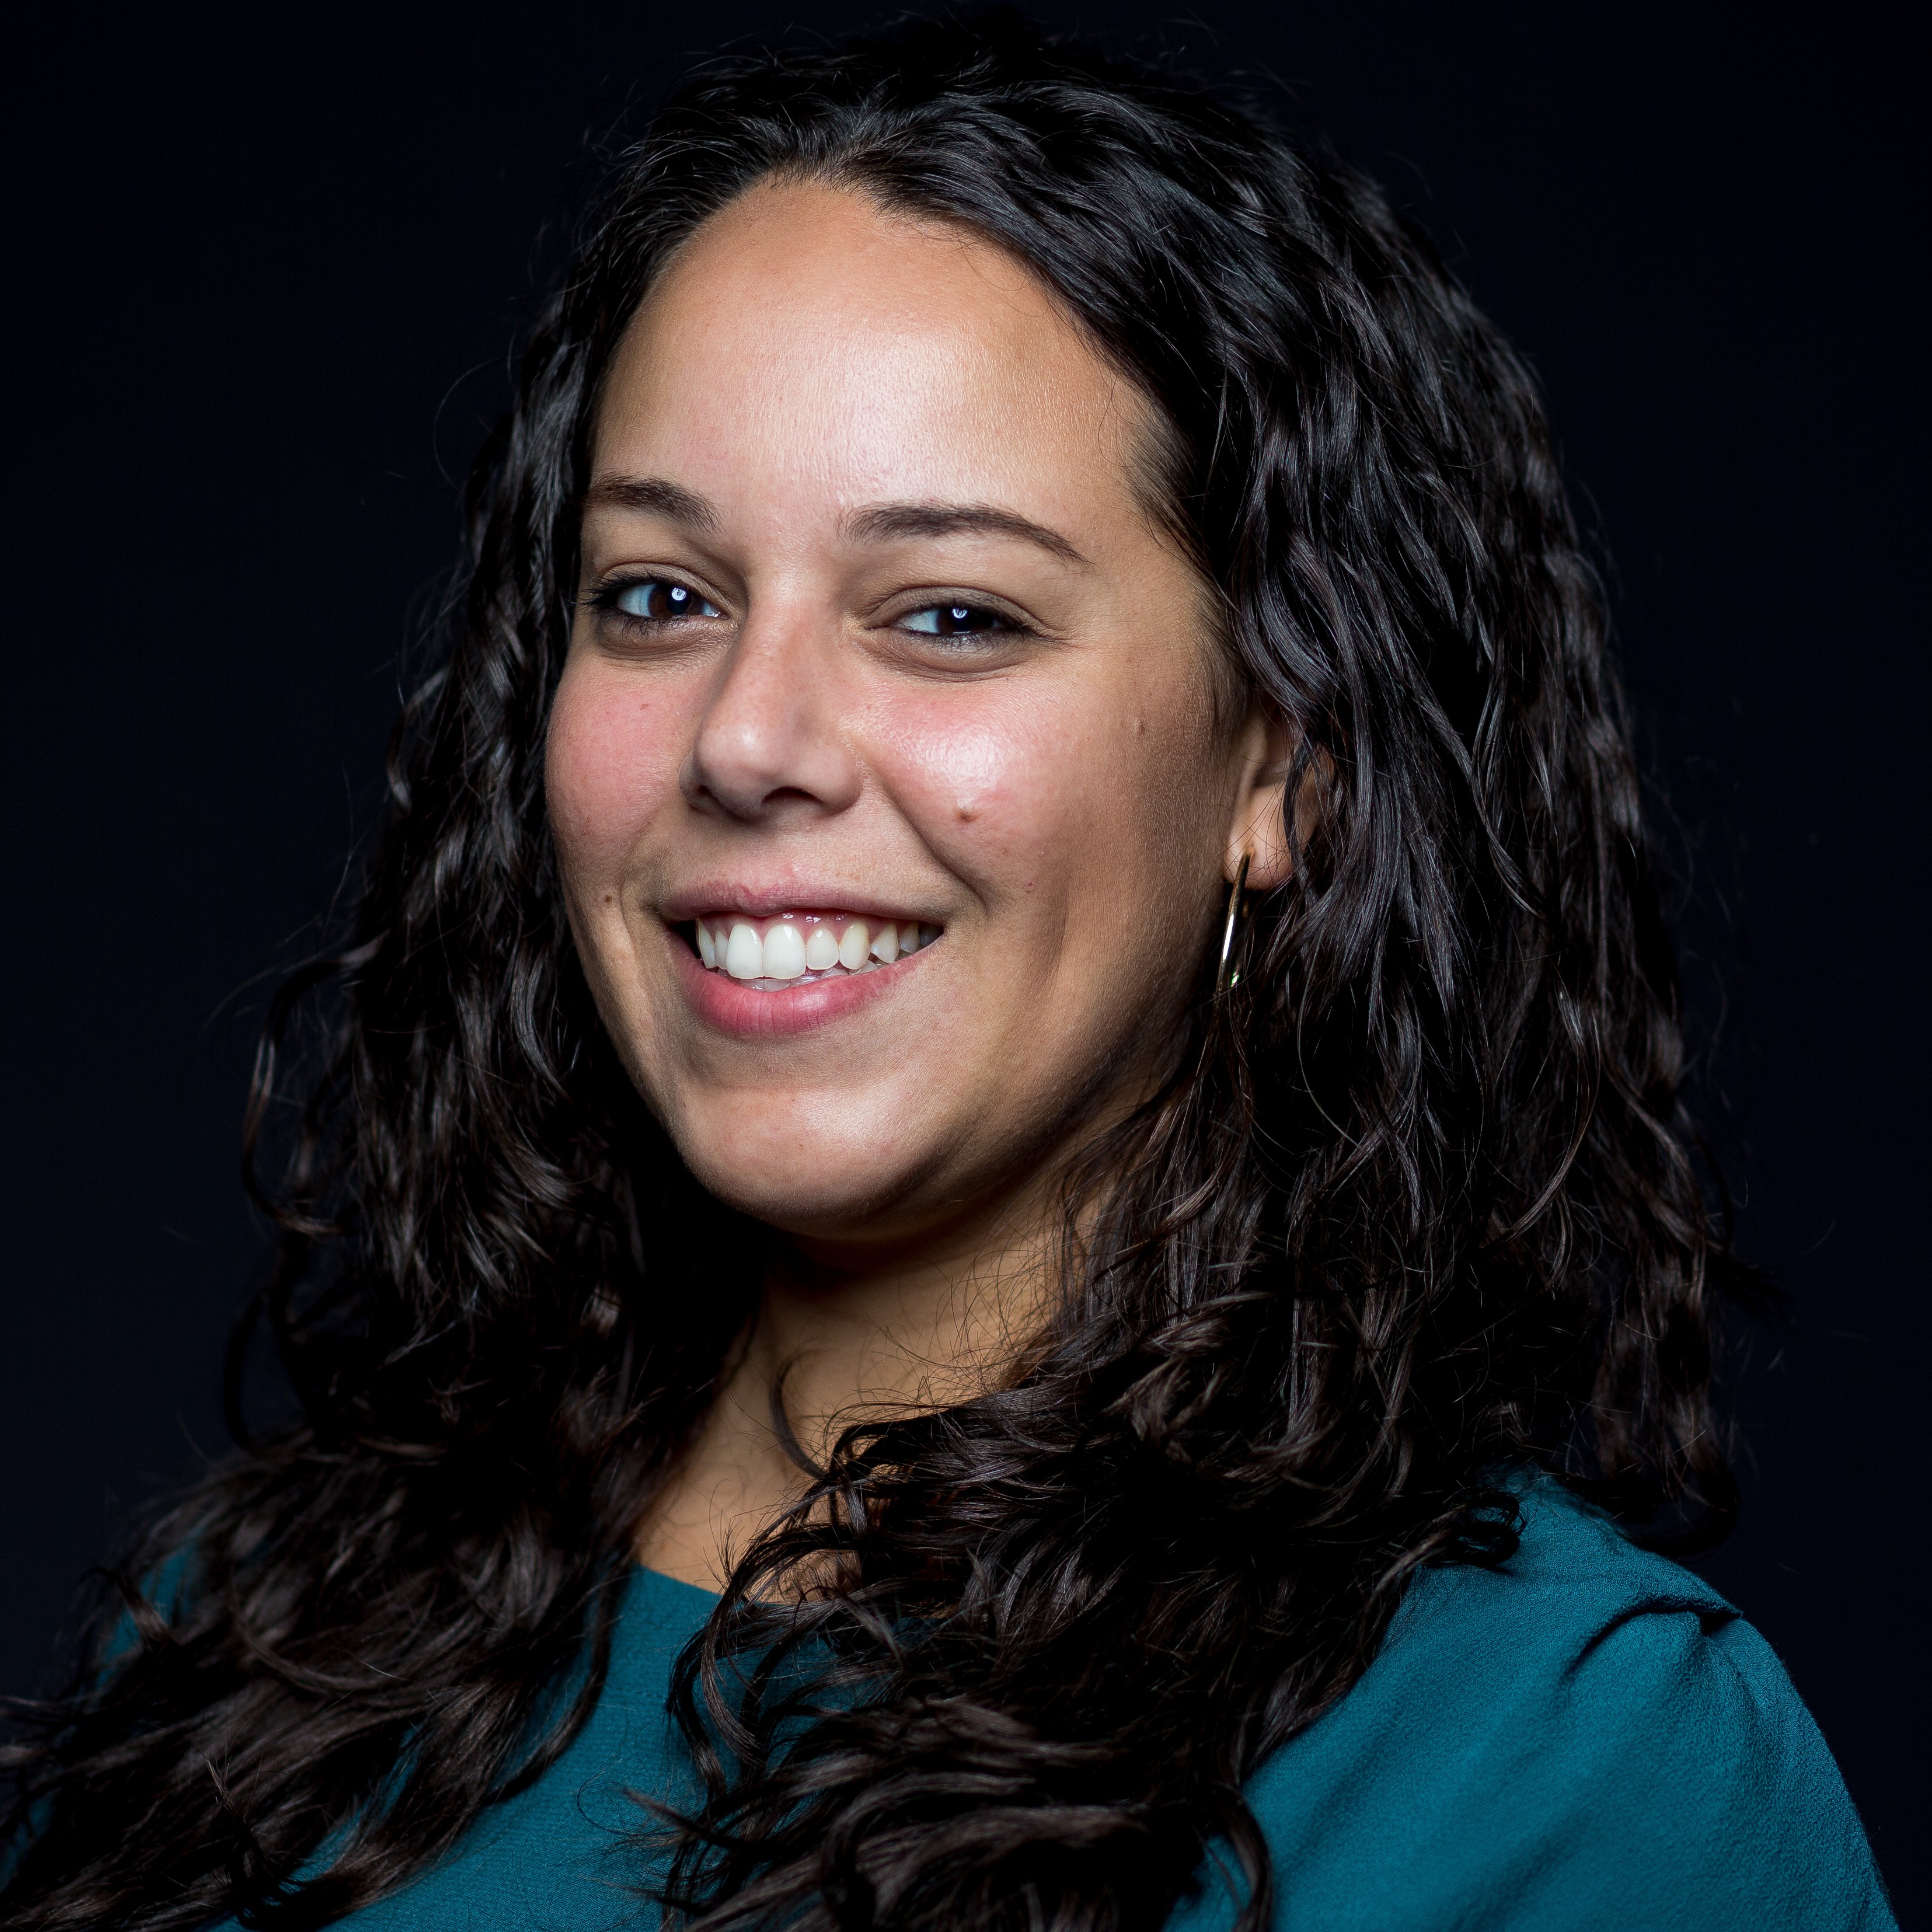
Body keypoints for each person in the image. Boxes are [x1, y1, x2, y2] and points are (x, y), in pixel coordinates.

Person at [0, 17, 1893, 1931]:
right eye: (659, 596)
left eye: (952, 615)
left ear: (1283, 764)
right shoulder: (262, 1650)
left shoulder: (1564, 1765)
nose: (753, 740)